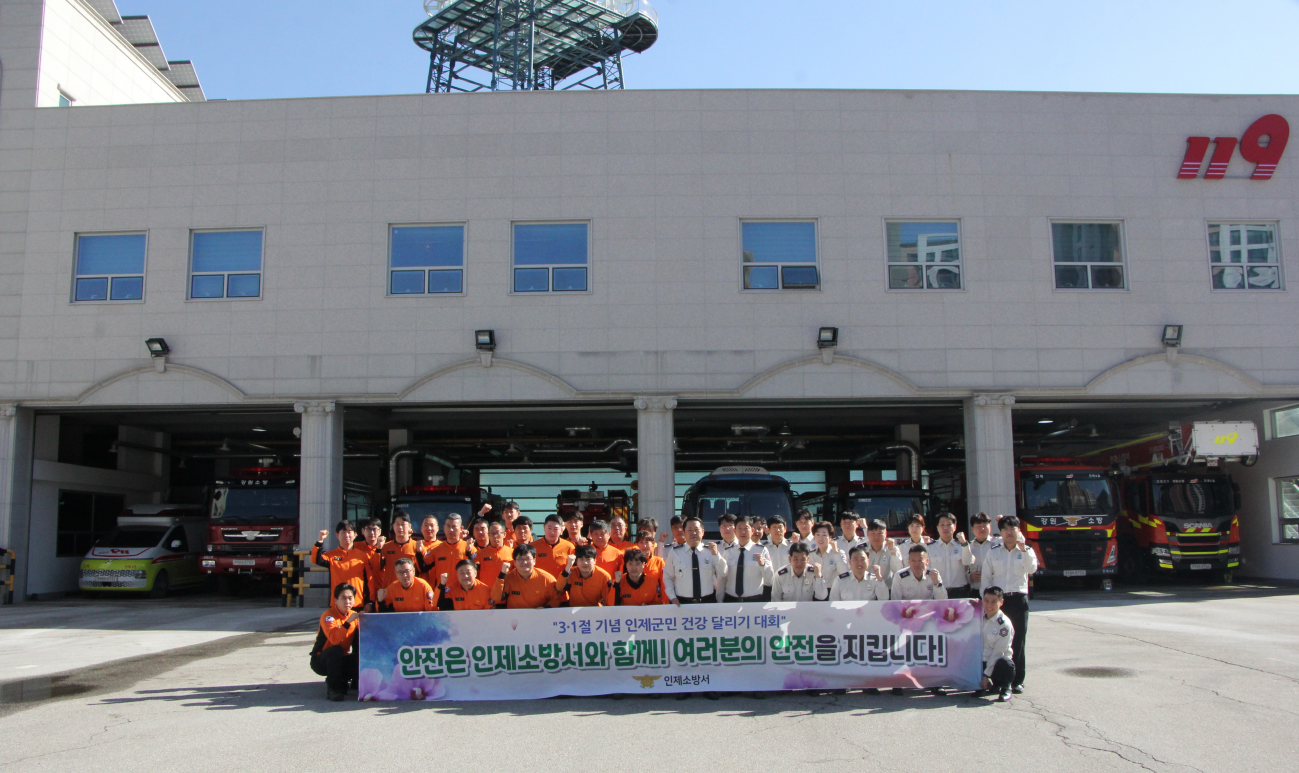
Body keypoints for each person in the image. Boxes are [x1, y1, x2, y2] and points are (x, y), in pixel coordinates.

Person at [980, 515, 1038, 694]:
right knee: (993, 640)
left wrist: (1024, 550)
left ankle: (1017, 680)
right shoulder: (994, 552)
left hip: (1018, 599)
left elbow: (1032, 569)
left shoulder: (1026, 550)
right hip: (998, 601)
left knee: (1018, 641)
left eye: (1012, 528)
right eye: (1005, 529)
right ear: (1001, 532)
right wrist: (986, 601)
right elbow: (986, 577)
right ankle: (997, 680)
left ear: (1018, 530)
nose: (1009, 532)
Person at [310, 583, 360, 701]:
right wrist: (347, 623)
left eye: (350, 598)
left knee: (362, 655)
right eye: (343, 598)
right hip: (321, 660)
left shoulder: (354, 616)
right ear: (336, 600)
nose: (347, 602)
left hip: (341, 659)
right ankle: (333, 688)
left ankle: (351, 680)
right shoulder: (328, 616)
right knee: (336, 650)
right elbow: (335, 640)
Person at [664, 517, 728, 605]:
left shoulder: (710, 551)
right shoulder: (675, 552)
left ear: (703, 532)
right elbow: (668, 577)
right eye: (689, 530)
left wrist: (716, 555)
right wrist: (672, 597)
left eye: (696, 530)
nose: (693, 533)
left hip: (707, 602)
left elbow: (723, 573)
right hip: (682, 603)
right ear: (684, 532)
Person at [311, 521, 368, 608]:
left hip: (357, 603)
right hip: (337, 604)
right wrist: (320, 541)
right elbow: (315, 559)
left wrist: (369, 602)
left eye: (349, 532)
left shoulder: (362, 556)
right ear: (337, 535)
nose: (346, 535)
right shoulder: (331, 555)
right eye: (343, 532)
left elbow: (368, 580)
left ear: (355, 534)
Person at [719, 516, 774, 602]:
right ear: (734, 531)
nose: (743, 532)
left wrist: (762, 564)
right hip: (731, 600)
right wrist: (719, 599)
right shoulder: (728, 551)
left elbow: (770, 579)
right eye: (739, 529)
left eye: (746, 528)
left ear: (752, 530)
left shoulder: (761, 550)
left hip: (754, 600)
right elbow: (722, 579)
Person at [977, 586, 1016, 702]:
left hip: (996, 664)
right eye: (986, 600)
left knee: (1005, 663)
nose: (989, 605)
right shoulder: (978, 618)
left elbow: (998, 653)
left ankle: (1006, 688)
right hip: (981, 661)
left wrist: (986, 675)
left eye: (994, 601)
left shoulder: (1004, 625)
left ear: (1001, 602)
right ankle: (989, 686)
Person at [497, 543, 561, 609]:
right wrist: (502, 575)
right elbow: (496, 597)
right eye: (520, 559)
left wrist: (546, 608)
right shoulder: (509, 577)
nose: (524, 562)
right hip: (514, 615)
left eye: (527, 559)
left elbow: (556, 599)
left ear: (534, 561)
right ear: (515, 562)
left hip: (538, 614)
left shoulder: (547, 579)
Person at [928, 512, 975, 597]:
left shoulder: (962, 545)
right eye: (942, 525)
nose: (945, 528)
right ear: (937, 527)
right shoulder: (930, 548)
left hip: (959, 591)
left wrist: (964, 543)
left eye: (949, 525)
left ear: (955, 527)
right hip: (938, 591)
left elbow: (968, 562)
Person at [426, 513, 474, 579]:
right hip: (442, 585)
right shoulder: (436, 549)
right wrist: (418, 553)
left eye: (454, 527)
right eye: (448, 526)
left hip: (461, 585)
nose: (451, 530)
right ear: (444, 527)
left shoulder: (469, 548)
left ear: (461, 528)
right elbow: (422, 568)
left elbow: (476, 569)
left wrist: (469, 552)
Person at [378, 514, 419, 590]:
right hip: (390, 589)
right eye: (397, 524)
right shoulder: (385, 547)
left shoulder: (416, 546)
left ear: (409, 526)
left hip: (411, 589)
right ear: (393, 527)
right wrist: (378, 549)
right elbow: (377, 567)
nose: (400, 527)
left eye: (403, 524)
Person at [862, 519, 904, 591]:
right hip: (866, 590)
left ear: (885, 534)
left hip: (887, 589)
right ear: (867, 534)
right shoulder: (862, 549)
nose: (876, 537)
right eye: (873, 533)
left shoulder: (892, 548)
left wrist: (893, 551)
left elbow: (897, 570)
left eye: (880, 533)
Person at [532, 514, 575, 578]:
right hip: (539, 582)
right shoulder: (533, 546)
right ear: (544, 527)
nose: (552, 532)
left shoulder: (569, 547)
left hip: (562, 583)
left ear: (561, 530)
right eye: (549, 528)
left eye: (555, 529)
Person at [966, 512, 1001, 592]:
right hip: (976, 589)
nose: (982, 529)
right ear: (972, 529)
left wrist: (1003, 522)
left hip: (995, 590)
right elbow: (961, 570)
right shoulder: (968, 547)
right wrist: (970, 577)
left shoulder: (998, 543)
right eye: (978, 526)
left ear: (990, 526)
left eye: (985, 525)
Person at [357, 517, 386, 601]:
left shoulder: (387, 547)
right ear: (362, 531)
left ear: (380, 531)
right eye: (368, 529)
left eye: (374, 529)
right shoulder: (356, 547)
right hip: (362, 591)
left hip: (382, 590)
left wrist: (379, 548)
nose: (372, 532)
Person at [415, 515, 442, 584]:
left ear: (437, 528)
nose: (429, 528)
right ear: (421, 528)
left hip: (438, 586)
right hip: (420, 585)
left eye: (431, 526)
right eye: (426, 525)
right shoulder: (415, 545)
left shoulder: (442, 546)